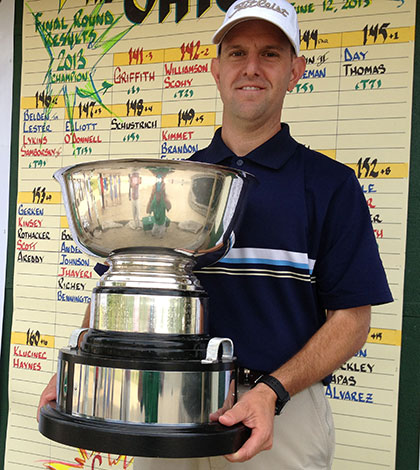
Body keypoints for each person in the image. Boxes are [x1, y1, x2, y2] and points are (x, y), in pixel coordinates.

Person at [38, 1, 393, 468]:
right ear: (215, 69)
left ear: (295, 70)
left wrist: (272, 391)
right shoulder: (172, 180)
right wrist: (76, 372)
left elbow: (352, 320)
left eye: (270, 54)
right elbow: (123, 282)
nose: (251, 68)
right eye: (236, 53)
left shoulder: (330, 184)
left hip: (277, 411)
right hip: (164, 405)